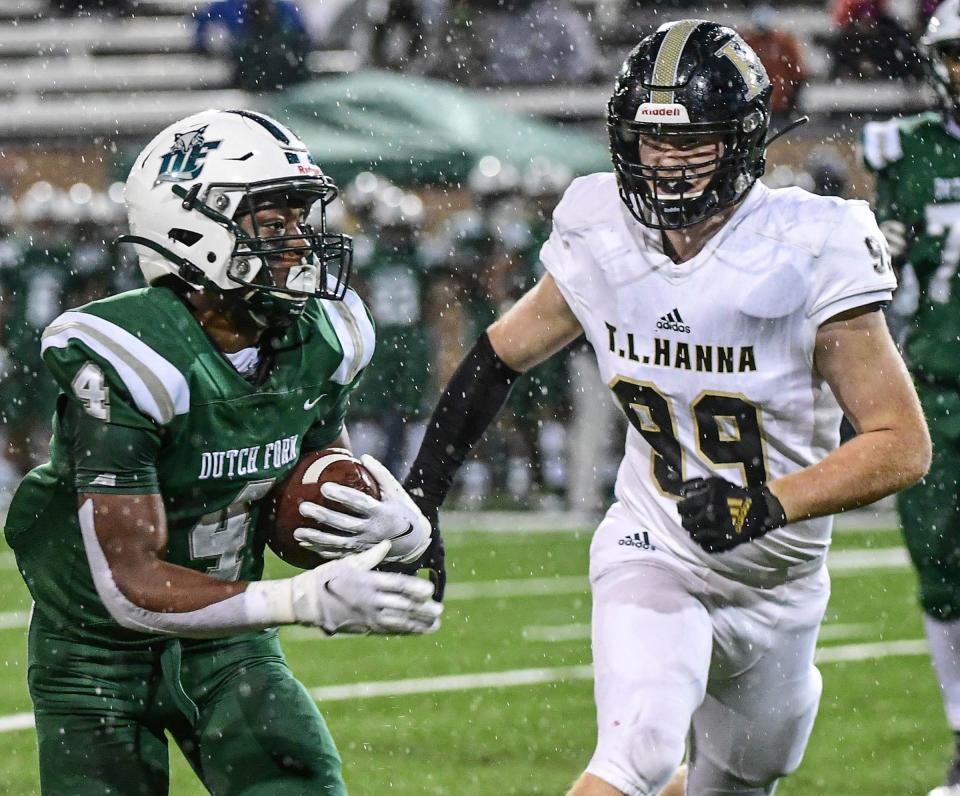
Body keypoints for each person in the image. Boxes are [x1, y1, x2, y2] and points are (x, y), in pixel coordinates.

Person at [306, 20, 931, 796]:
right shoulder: (603, 227)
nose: (664, 163)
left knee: (735, 783)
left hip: (782, 578)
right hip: (657, 540)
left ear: (742, 139)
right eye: (649, 140)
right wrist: (424, 499)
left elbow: (901, 442)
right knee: (634, 753)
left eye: (690, 142)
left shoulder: (810, 245)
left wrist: (764, 506)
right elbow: (498, 356)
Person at [3, 108, 442, 796]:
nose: (301, 242)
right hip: (95, 653)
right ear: (191, 227)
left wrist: (401, 527)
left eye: (303, 220)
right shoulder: (130, 356)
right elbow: (129, 589)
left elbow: (323, 476)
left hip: (229, 648)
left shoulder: (319, 337)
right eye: (275, 223)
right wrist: (297, 598)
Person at [862, 3, 960, 793]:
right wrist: (872, 252)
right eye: (956, 55)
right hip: (938, 387)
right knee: (940, 568)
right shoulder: (908, 152)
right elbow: (880, 279)